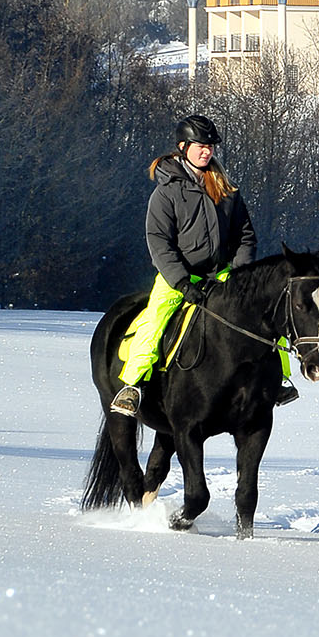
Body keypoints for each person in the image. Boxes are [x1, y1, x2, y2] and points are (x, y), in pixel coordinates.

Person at [110, 114, 263, 417]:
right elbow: (159, 243)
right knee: (156, 317)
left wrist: (238, 273)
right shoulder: (165, 193)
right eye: (200, 146)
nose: (207, 151)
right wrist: (182, 282)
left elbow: (246, 236)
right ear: (183, 147)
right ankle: (131, 386)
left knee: (260, 312)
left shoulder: (228, 190)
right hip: (179, 277)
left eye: (210, 146)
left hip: (221, 274)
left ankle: (277, 379)